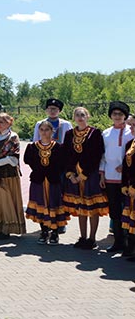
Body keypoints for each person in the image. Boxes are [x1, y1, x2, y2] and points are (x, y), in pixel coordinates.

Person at [61, 107, 108, 250]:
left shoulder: (95, 133)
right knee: (81, 207)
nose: (80, 117)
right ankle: (82, 237)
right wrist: (70, 174)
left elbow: (96, 155)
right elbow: (67, 154)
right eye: (77, 115)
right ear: (73, 117)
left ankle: (92, 238)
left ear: (88, 116)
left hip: (90, 175)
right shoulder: (69, 134)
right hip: (74, 176)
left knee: (92, 207)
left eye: (83, 115)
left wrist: (83, 175)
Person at [24, 120, 69, 245]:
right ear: (39, 131)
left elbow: (62, 164)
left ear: (52, 131)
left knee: (53, 204)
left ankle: (54, 232)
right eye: (42, 129)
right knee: (40, 204)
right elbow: (28, 160)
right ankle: (43, 231)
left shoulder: (59, 147)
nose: (44, 132)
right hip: (38, 180)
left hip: (53, 180)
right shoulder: (32, 147)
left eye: (47, 130)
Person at [0, 113, 26, 238]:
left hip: (8, 174)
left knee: (6, 201)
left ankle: (7, 228)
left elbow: (13, 159)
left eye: (2, 122)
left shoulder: (13, 137)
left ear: (9, 123)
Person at [98, 103, 131, 252]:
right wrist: (102, 174)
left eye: (120, 114)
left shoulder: (132, 131)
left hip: (128, 178)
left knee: (129, 210)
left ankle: (130, 244)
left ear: (125, 115)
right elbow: (103, 156)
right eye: (114, 114)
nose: (117, 116)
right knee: (114, 210)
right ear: (110, 115)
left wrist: (125, 167)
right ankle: (118, 241)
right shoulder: (106, 133)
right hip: (111, 176)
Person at [122, 134, 135, 259]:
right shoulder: (130, 143)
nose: (131, 128)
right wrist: (124, 184)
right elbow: (126, 166)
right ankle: (131, 248)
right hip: (130, 187)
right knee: (131, 219)